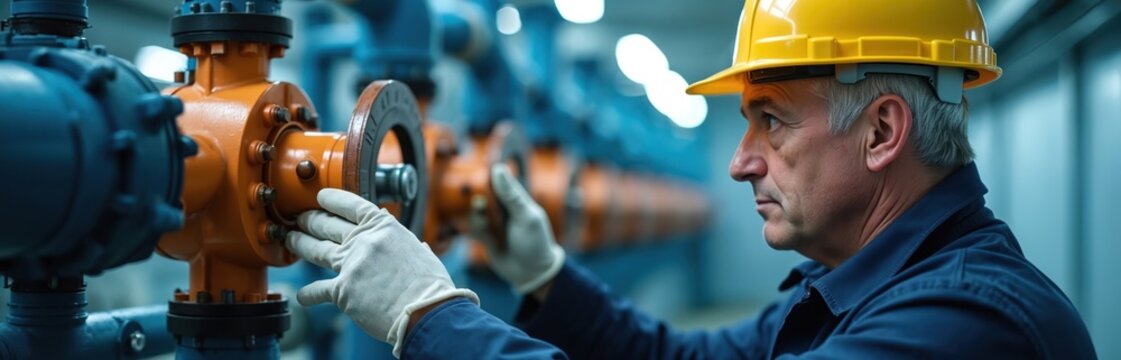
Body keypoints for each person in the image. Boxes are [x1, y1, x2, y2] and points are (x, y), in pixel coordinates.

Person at [284, 0, 1098, 358]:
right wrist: (545, 276)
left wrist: (431, 318)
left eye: (770, 120)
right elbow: (681, 359)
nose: (741, 161)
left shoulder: (961, 325)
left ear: (883, 130)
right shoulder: (857, 284)